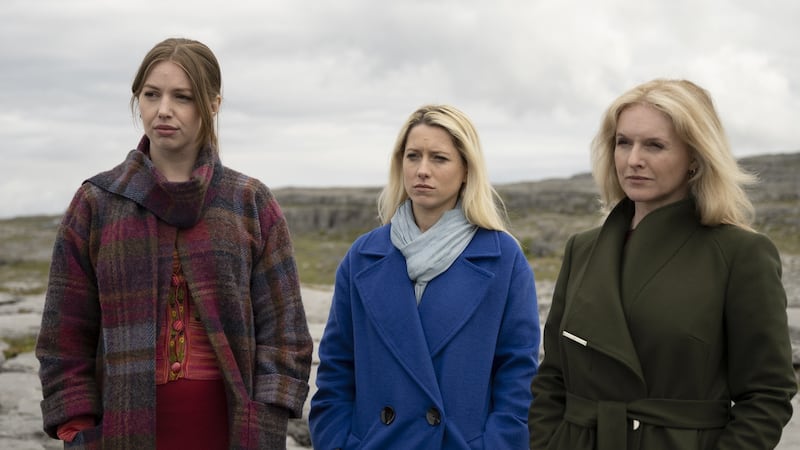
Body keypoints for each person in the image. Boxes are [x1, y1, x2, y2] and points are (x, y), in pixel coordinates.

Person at [35, 38, 313, 449]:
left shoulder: (249, 202)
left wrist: (266, 418)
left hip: (233, 435)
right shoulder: (97, 202)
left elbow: (285, 334)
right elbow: (64, 335)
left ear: (213, 104)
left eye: (182, 97)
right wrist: (76, 429)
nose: (163, 110)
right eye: (151, 94)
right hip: (121, 436)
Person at [528, 78, 797, 449]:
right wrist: (546, 442)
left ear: (695, 157)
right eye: (624, 142)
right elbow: (552, 376)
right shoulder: (583, 249)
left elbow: (768, 394)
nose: (633, 159)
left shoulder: (740, 253)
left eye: (654, 145)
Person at [308, 104, 541, 449]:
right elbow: (336, 371)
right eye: (413, 156)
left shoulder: (503, 259)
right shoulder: (363, 256)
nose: (422, 170)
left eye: (439, 159)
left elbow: (517, 376)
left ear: (466, 169)